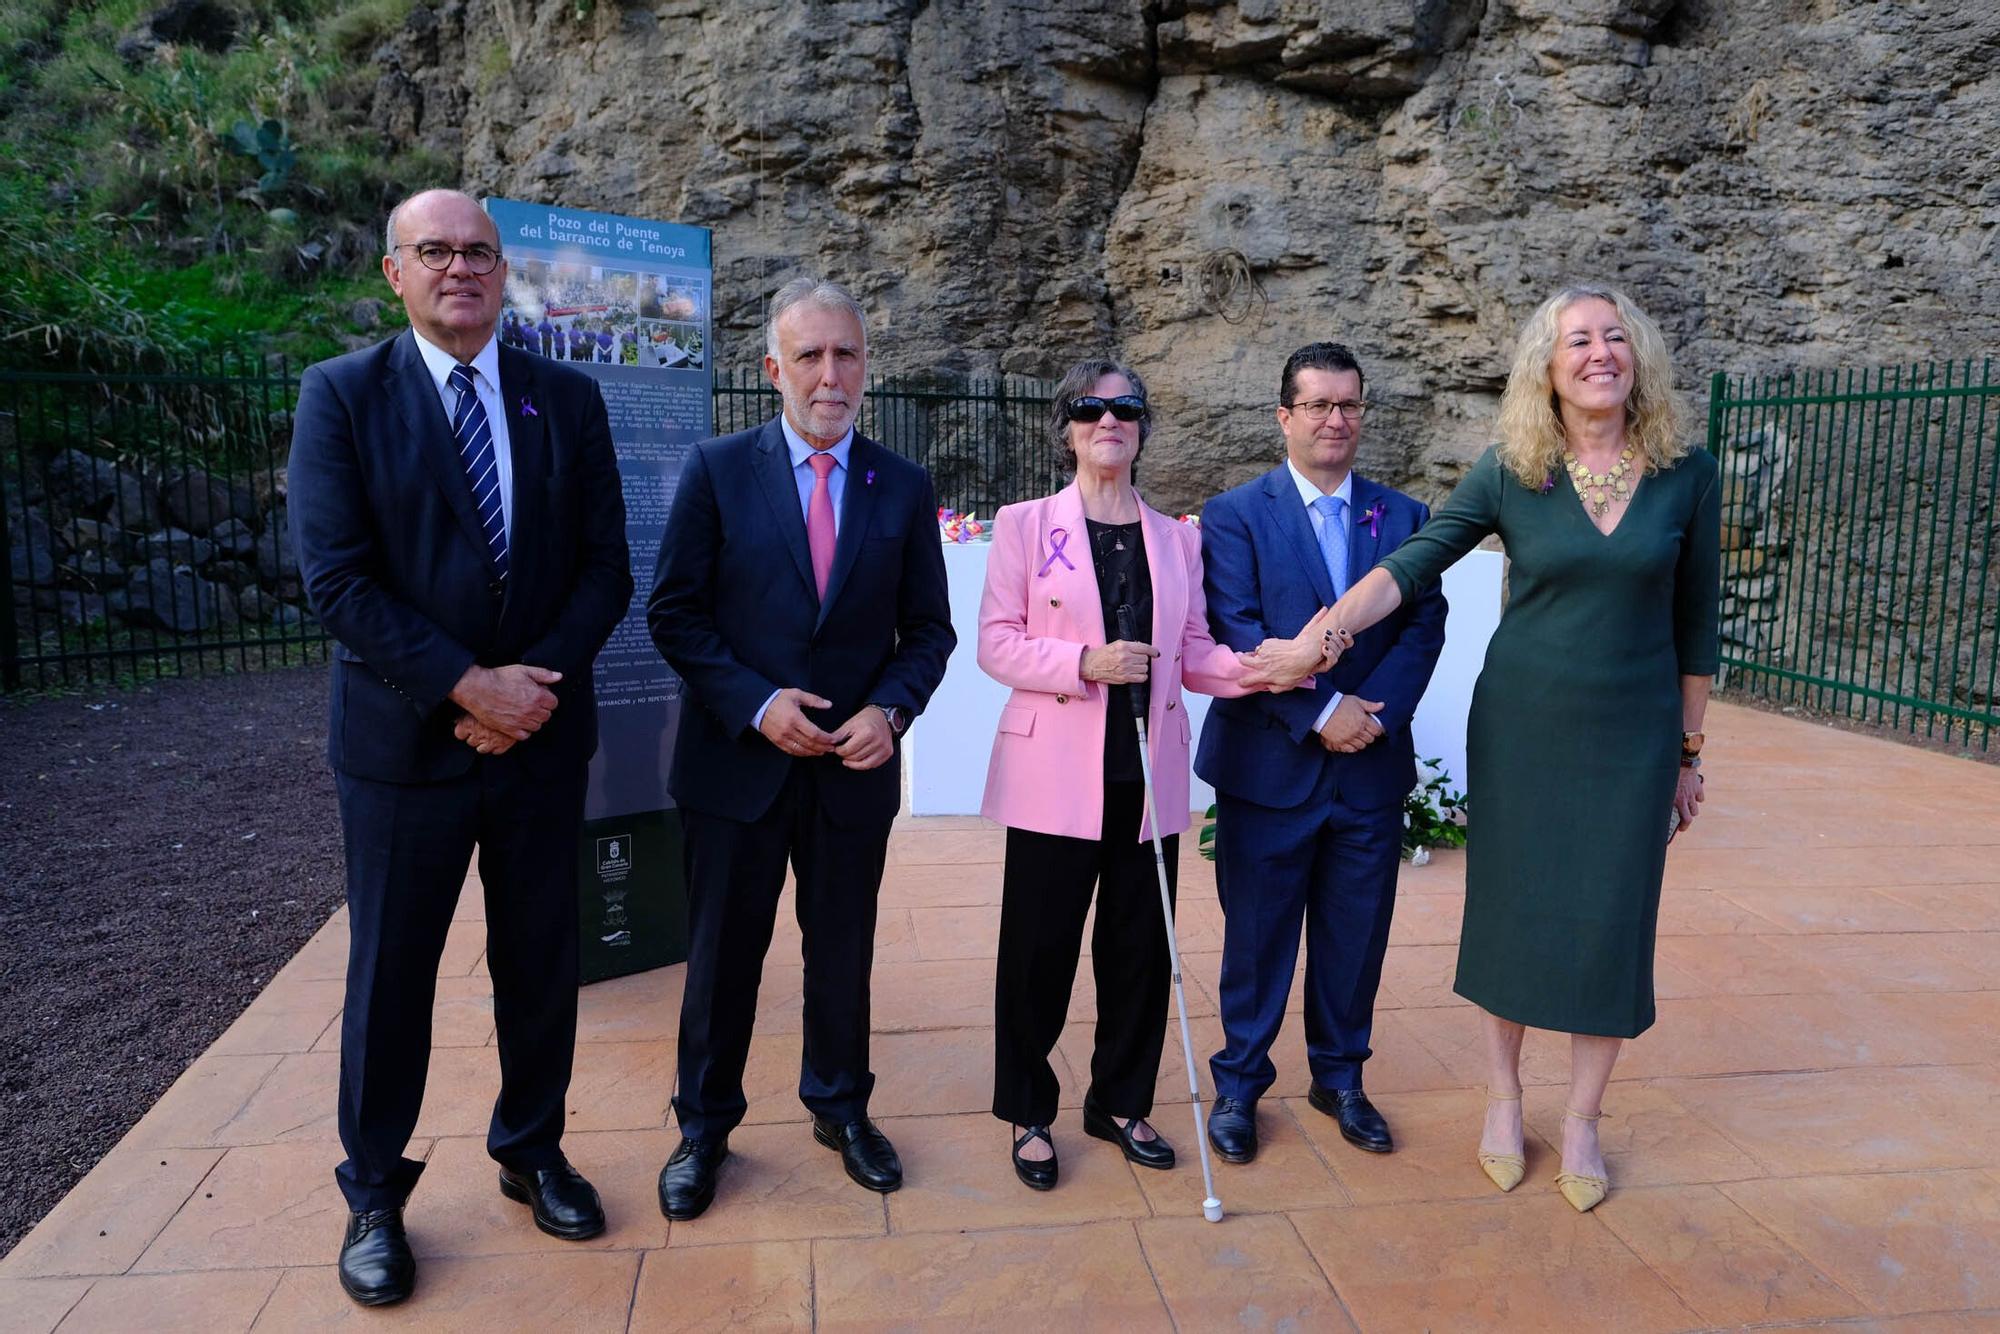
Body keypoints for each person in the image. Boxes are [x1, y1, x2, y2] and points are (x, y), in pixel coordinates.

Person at [289, 188, 632, 1306]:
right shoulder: (341, 395)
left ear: (503, 270)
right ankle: (376, 1192)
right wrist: (465, 685)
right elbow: (337, 576)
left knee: (541, 958)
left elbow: (603, 569)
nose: (459, 268)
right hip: (403, 747)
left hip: (536, 738)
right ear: (393, 271)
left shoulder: (565, 399)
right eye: (433, 250)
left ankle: (532, 1148)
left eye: (478, 251)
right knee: (393, 973)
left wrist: (524, 690)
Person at [1331, 285, 1719, 1211]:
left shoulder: (1686, 473)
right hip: (1523, 729)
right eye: (1576, 340)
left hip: (1634, 738)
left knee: (1613, 924)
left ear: (1640, 358)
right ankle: (1504, 1100)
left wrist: (1689, 754)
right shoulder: (1515, 468)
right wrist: (1327, 634)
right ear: (1546, 366)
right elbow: (1418, 561)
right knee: (1511, 911)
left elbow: (1696, 626)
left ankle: (1582, 1118)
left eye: (1614, 338)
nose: (1599, 354)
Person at [977, 359, 1339, 1190]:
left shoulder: (1178, 537)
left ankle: (1119, 1100)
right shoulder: (1025, 524)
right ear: (1065, 425)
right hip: (1052, 776)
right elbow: (996, 642)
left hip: (1148, 776)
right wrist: (1086, 661)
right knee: (1037, 952)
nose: (1109, 420)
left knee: (1141, 949)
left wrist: (1266, 670)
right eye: (1089, 408)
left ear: (1142, 426)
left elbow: (1197, 652)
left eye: (1126, 407)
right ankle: (1030, 1110)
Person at [647, 276, 954, 1221]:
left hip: (850, 773)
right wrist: (756, 701)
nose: (830, 374)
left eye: (847, 354)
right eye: (810, 356)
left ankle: (840, 1107)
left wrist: (890, 713)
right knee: (722, 955)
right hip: (736, 767)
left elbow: (928, 633)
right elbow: (676, 614)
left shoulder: (902, 487)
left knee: (843, 951)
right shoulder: (716, 470)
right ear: (773, 368)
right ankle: (703, 1128)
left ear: (867, 366)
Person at [1195, 342, 1449, 1166]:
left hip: (1370, 767)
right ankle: (1239, 1086)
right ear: (1285, 417)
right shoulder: (1235, 514)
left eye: (1349, 405)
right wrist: (1320, 712)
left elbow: (1424, 623)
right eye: (1318, 405)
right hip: (1270, 767)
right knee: (1258, 938)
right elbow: (1235, 630)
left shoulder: (1404, 517)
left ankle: (1341, 1080)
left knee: (1355, 934)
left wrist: (1377, 716)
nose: (1336, 420)